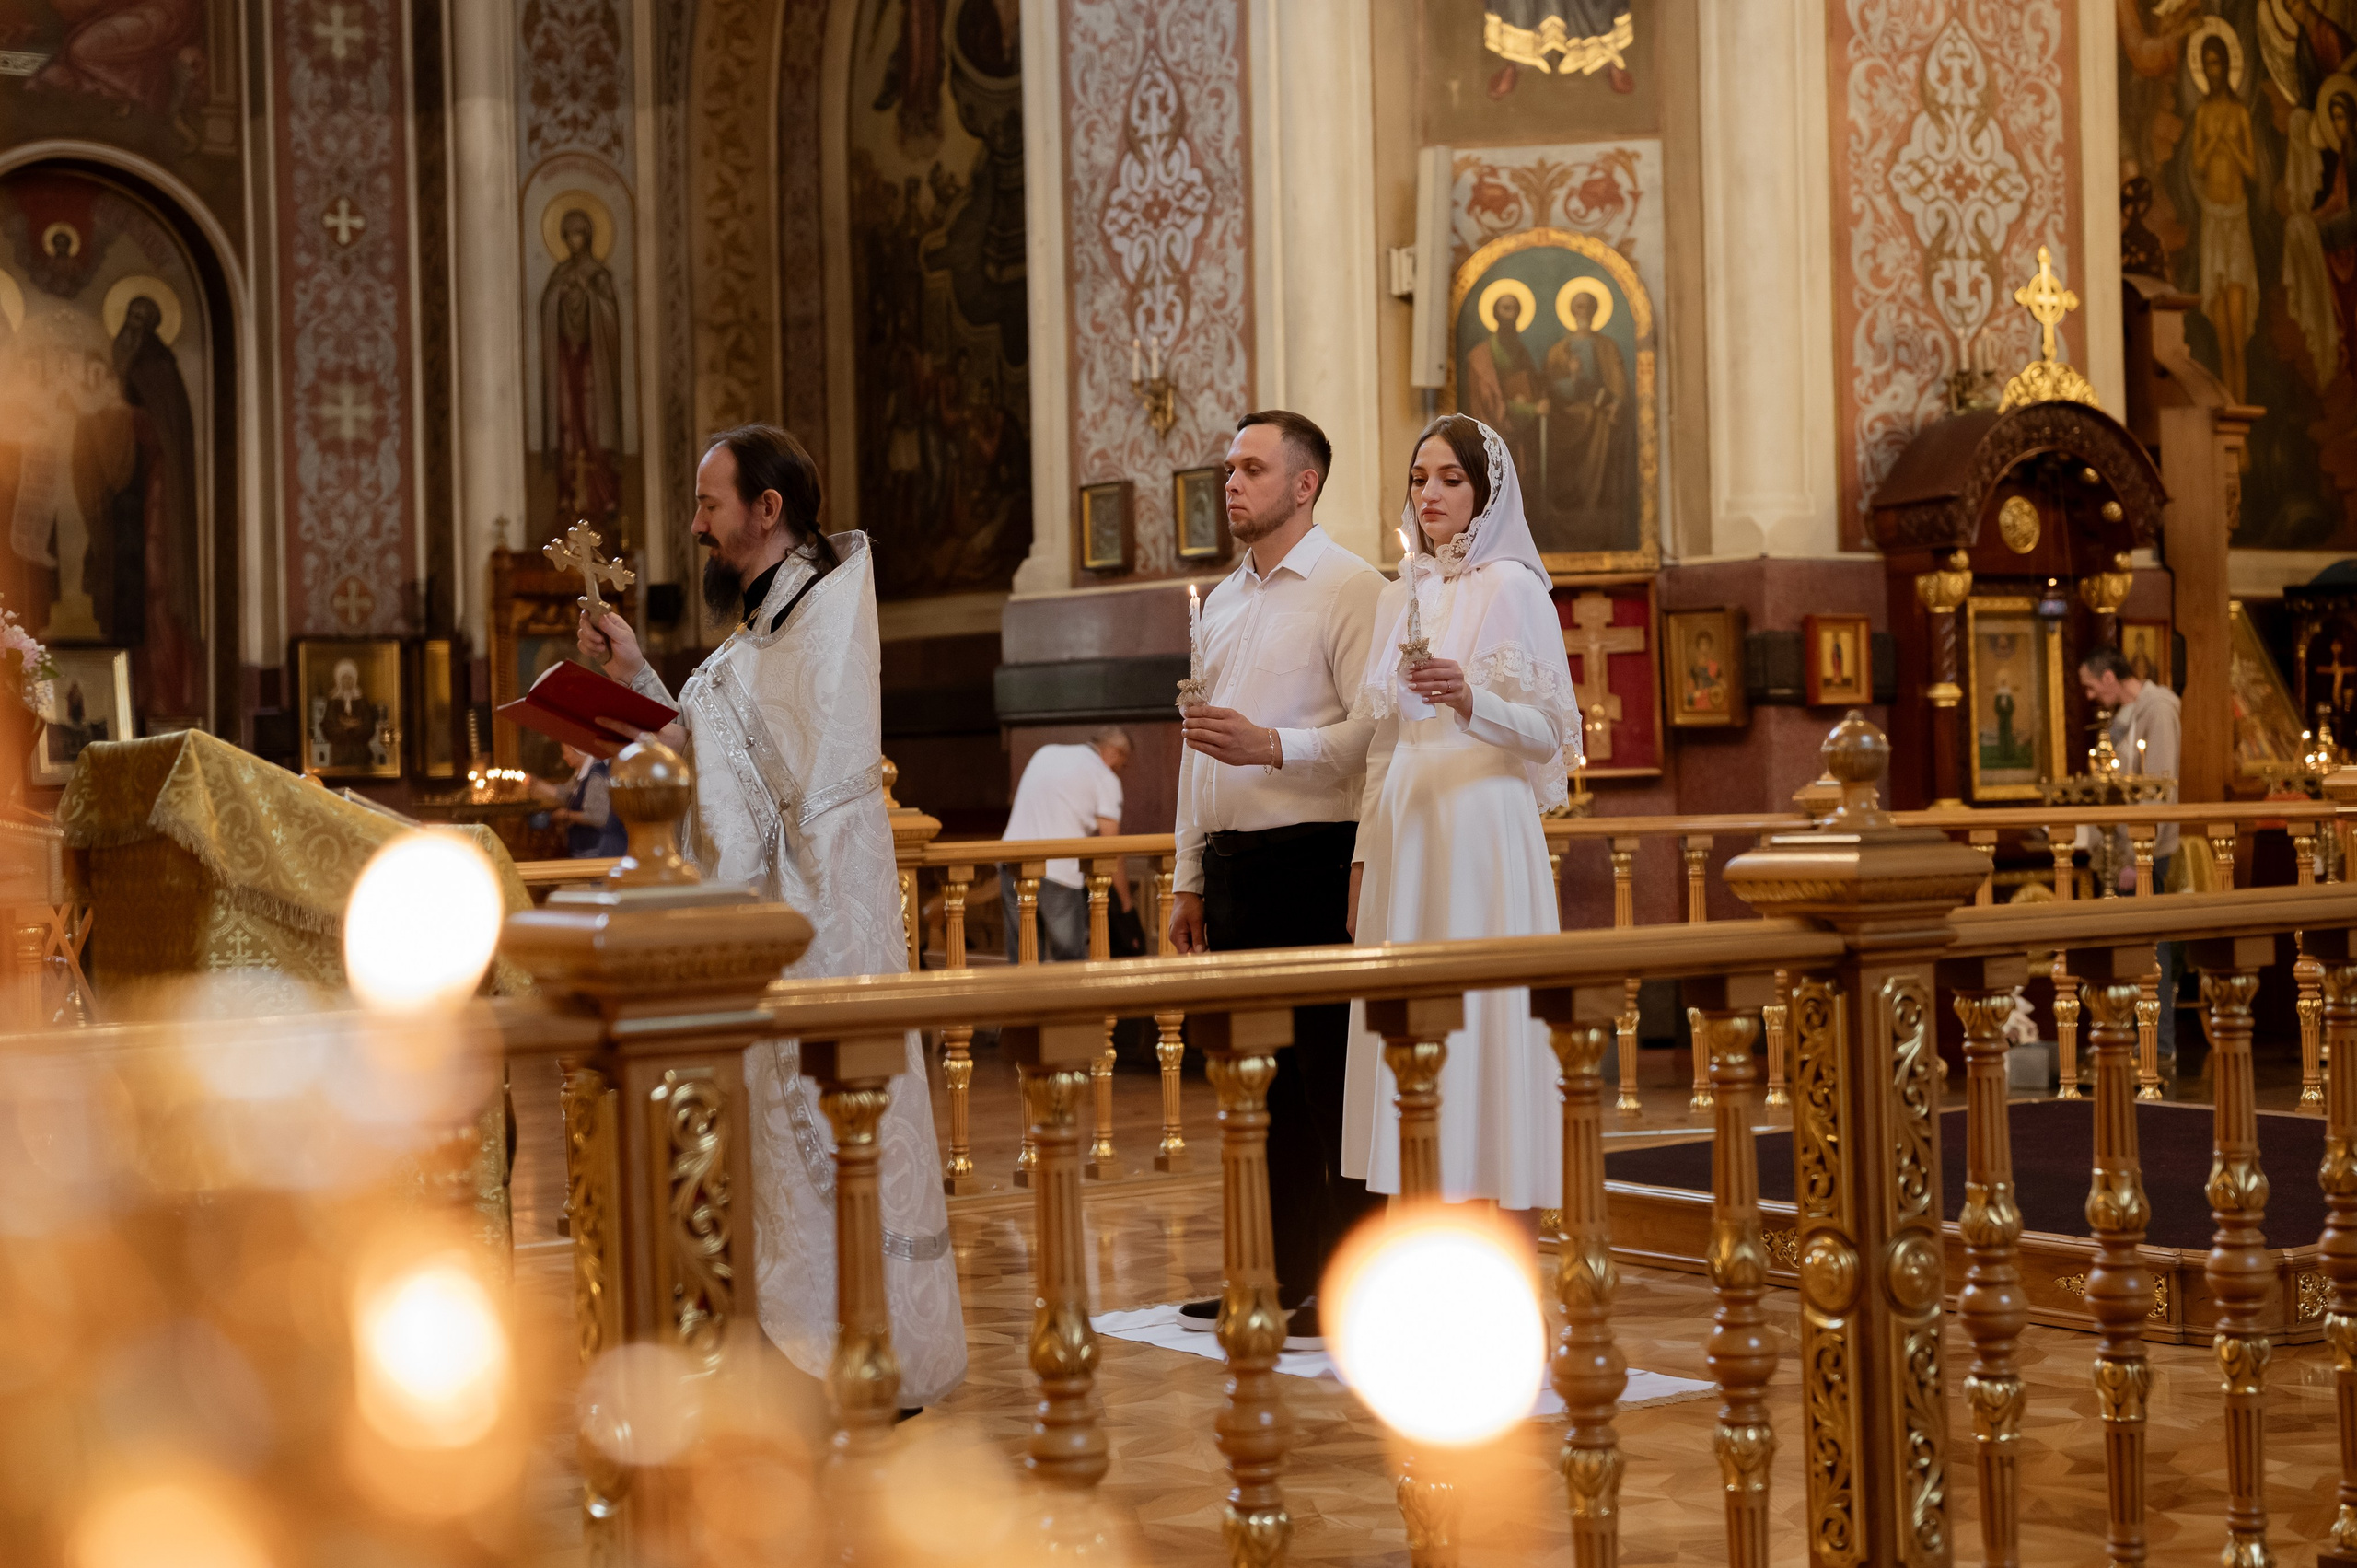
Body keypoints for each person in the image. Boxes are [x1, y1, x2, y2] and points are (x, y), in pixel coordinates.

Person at [577, 424, 965, 1410]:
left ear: (766, 509)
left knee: (839, 1125)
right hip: (783, 919)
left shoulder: (817, 620)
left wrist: (647, 716)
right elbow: (721, 742)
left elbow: (757, 778)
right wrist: (629, 676)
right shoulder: (766, 626)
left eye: (710, 504)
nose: (696, 524)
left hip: (818, 921)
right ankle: (808, 1344)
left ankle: (867, 1349)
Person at [1169, 410, 1385, 1349]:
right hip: (1233, 868)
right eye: (1229, 468)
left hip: (1311, 855)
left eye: (1252, 468)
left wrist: (1271, 745)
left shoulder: (1350, 588)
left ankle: (1346, 1284)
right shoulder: (1220, 602)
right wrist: (1185, 875)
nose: (1232, 483)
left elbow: (1373, 736)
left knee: (1326, 1082)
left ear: (1304, 484)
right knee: (1252, 1084)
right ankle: (1270, 1272)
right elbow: (1197, 753)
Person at [1341, 413, 1583, 1214]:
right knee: (1407, 1011)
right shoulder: (1405, 588)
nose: (1432, 493)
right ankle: (1418, 1200)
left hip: (1480, 819)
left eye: (1450, 478)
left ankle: (1495, 1199)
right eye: (1420, 479)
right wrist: (1364, 858)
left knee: (1485, 1014)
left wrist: (1472, 698)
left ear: (1483, 492)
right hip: (1410, 821)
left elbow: (1550, 736)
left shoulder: (1514, 586)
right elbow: (1383, 740)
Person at [2078, 645, 2184, 1058]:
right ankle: (2126, 1037)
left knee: (2150, 948)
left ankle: (2157, 1046)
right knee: (2127, 946)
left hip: (2144, 851)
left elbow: (2157, 786)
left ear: (2109, 678)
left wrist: (2140, 853)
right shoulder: (2125, 717)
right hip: (2121, 850)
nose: (2089, 696)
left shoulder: (2157, 710)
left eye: (2091, 686)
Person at [999, 726, 1132, 961]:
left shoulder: (1046, 752)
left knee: (1023, 960)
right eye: (1124, 763)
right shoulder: (1104, 777)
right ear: (1116, 752)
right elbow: (1111, 848)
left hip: (1011, 864)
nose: (1122, 770)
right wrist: (1126, 905)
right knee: (1070, 962)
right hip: (1057, 872)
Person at [528, 742, 628, 859]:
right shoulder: (582, 772)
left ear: (578, 751)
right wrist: (535, 783)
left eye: (566, 752)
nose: (564, 757)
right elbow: (566, 794)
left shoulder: (596, 775)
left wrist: (566, 815)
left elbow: (598, 817)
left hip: (602, 849)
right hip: (588, 847)